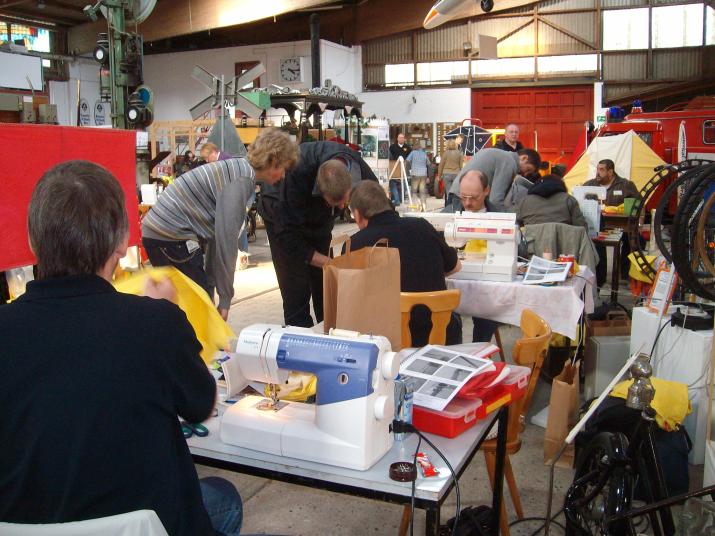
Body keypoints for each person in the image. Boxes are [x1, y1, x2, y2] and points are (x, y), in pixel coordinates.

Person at [0, 160, 241, 536]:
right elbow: (200, 405)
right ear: (121, 241)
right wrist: (172, 317)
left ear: (33, 241)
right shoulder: (156, 323)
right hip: (149, 525)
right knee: (224, 497)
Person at [142, 129, 299, 320]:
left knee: (184, 307)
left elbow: (216, 235)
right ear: (274, 162)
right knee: (199, 311)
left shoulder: (237, 168)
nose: (283, 176)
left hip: (162, 233)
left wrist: (212, 284)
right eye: (284, 168)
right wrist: (225, 298)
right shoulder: (241, 180)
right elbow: (226, 240)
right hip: (171, 235)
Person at [258, 141, 378, 328]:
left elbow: (379, 213)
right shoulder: (295, 174)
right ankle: (300, 337)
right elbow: (287, 236)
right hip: (280, 216)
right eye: (334, 203)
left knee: (325, 284)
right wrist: (327, 262)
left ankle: (329, 330)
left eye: (344, 202)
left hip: (317, 219)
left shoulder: (361, 173)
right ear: (319, 192)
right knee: (296, 288)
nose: (341, 208)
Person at [349, 181, 462, 345]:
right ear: (387, 203)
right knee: (453, 316)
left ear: (358, 215)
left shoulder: (355, 244)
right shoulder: (422, 226)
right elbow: (455, 266)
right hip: (439, 337)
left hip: (388, 343)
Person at [444, 170, 500, 343]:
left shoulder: (500, 215)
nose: (467, 203)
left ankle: (479, 352)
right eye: (463, 197)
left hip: (485, 279)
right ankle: (454, 353)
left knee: (488, 312)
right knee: (446, 314)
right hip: (454, 277)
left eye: (473, 198)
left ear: (486, 190)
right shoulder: (448, 213)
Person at [584, 159, 642, 285]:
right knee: (593, 241)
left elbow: (638, 203)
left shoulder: (626, 185)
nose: (598, 173)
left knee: (633, 239)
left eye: (601, 170)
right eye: (597, 169)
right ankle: (597, 276)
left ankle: (626, 274)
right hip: (595, 223)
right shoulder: (589, 184)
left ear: (610, 172)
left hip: (621, 224)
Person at [448, 147, 541, 212]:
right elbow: (495, 200)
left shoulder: (501, 155)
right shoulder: (509, 163)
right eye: (528, 169)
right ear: (524, 158)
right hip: (465, 197)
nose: (524, 174)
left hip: (459, 194)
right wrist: (507, 221)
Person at [516, 174, 588, 230]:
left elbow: (513, 223)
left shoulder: (525, 201)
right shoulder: (568, 199)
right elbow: (581, 227)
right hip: (564, 246)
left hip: (531, 246)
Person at [438, 139, 464, 208]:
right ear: (455, 145)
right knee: (456, 192)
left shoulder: (445, 153)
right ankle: (456, 207)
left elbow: (441, 165)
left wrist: (439, 175)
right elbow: (461, 165)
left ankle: (449, 207)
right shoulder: (459, 153)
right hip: (456, 174)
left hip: (446, 174)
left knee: (448, 192)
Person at [388, 133, 411, 206]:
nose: (401, 139)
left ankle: (401, 199)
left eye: (402, 138)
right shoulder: (392, 147)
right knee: (393, 183)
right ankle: (397, 199)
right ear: (397, 139)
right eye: (400, 138)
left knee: (403, 184)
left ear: (404, 139)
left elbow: (409, 158)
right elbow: (389, 157)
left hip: (404, 169)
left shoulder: (408, 148)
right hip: (394, 168)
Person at [406, 144, 429, 211]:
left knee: (414, 191)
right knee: (422, 191)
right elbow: (428, 163)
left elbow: (407, 161)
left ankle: (416, 205)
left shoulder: (412, 153)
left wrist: (408, 171)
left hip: (415, 174)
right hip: (423, 174)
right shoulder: (424, 153)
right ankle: (424, 206)